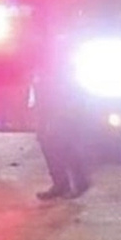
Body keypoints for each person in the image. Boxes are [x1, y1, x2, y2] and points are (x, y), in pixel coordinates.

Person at [31, 13, 91, 200]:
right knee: (47, 139)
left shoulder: (60, 42)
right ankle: (63, 183)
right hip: (48, 94)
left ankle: (77, 181)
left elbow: (67, 73)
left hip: (60, 95)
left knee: (59, 138)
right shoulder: (42, 43)